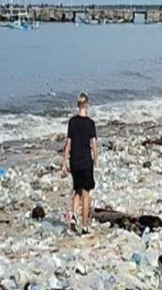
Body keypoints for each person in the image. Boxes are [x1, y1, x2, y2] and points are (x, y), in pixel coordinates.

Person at [61, 93, 99, 235]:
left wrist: (64, 162)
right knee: (86, 193)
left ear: (78, 105)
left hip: (74, 161)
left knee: (77, 189)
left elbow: (68, 143)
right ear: (87, 105)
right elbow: (94, 144)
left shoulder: (72, 122)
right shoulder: (90, 123)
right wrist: (96, 159)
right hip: (85, 161)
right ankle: (84, 227)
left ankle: (73, 216)